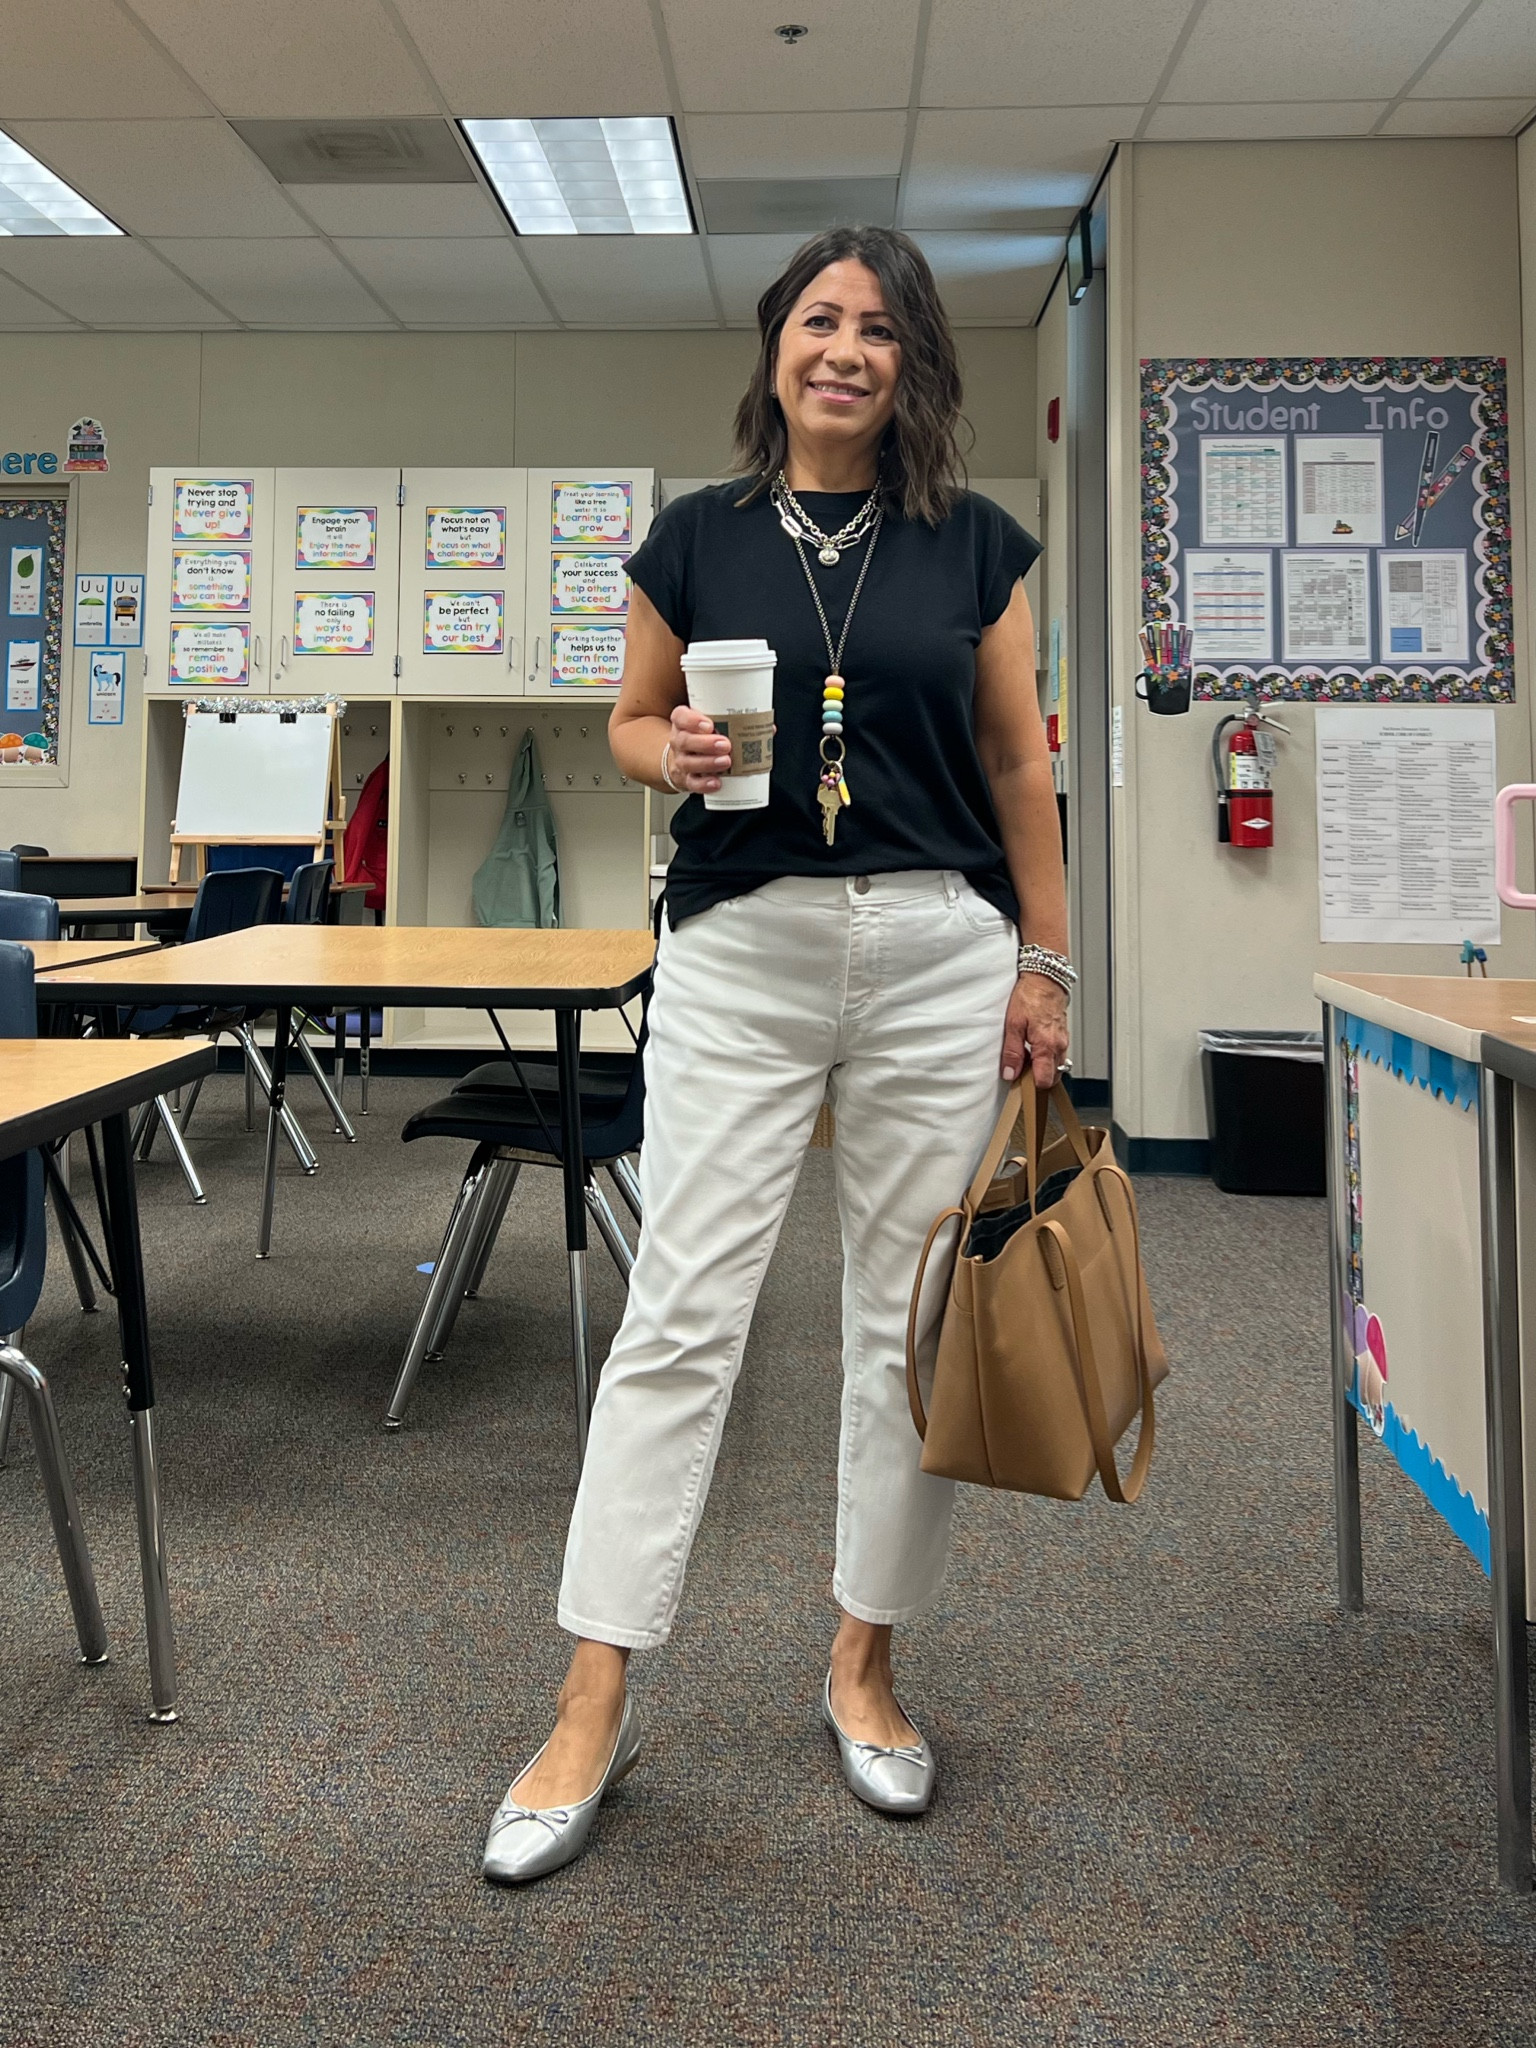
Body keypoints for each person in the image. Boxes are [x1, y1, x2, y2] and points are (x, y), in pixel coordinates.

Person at [483, 224, 1071, 1884]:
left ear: (911, 366)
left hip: (937, 954)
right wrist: (653, 746)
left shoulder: (975, 544)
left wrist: (1051, 965)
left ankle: (864, 1666)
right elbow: (625, 720)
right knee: (683, 1311)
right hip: (741, 943)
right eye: (821, 320)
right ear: (775, 350)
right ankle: (593, 1699)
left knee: (906, 1327)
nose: (847, 349)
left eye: (882, 330)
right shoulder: (693, 538)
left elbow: (1020, 769)